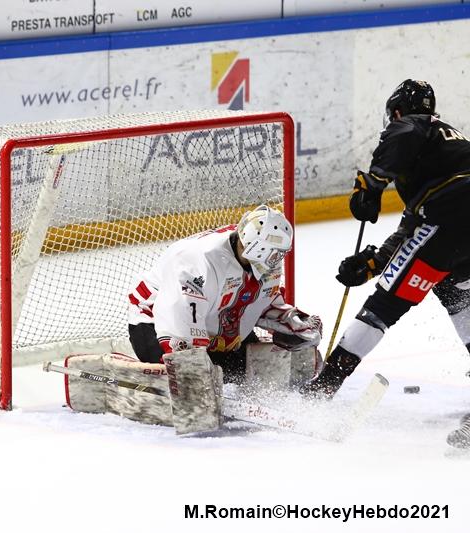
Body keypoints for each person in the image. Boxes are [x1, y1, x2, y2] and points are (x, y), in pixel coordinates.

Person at [300, 80, 470, 449]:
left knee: (384, 306)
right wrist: (375, 262)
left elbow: (405, 132)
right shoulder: (444, 148)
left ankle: (322, 389)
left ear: (396, 111)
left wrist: (373, 182)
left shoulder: (412, 125)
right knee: (459, 295)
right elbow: (412, 227)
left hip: (448, 220)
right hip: (458, 230)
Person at [127, 204, 322, 382]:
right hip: (154, 323)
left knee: (251, 374)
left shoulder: (258, 258)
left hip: (211, 321)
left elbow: (259, 302)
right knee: (189, 378)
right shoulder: (198, 260)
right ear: (257, 248)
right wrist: (193, 371)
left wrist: (290, 321)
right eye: (275, 253)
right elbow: (179, 318)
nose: (278, 258)